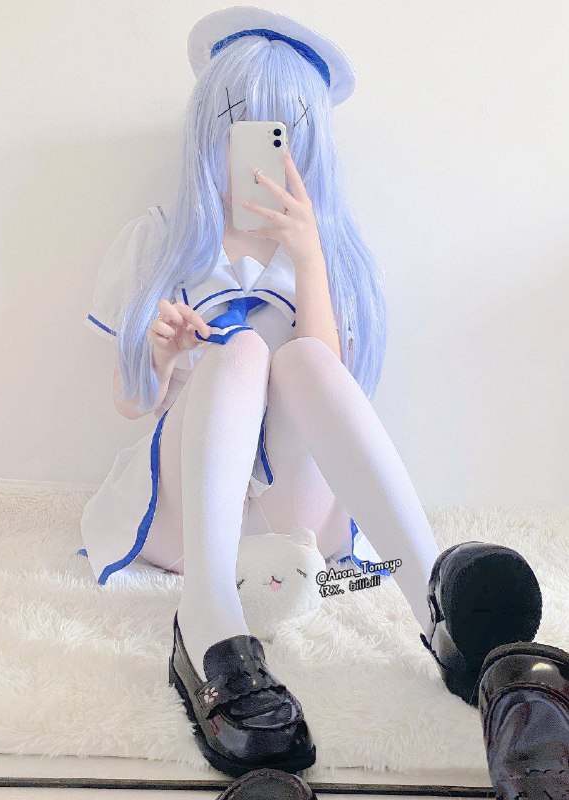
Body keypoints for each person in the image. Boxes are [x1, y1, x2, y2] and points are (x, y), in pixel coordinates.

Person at [79, 6, 543, 778]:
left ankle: (434, 603)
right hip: (186, 524)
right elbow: (132, 405)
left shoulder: (330, 256)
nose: (263, 148)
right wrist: (159, 360)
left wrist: (307, 255)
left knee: (298, 359)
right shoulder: (161, 242)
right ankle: (208, 618)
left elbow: (332, 383)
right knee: (238, 352)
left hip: (298, 532)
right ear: (207, 132)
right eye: (240, 125)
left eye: (284, 130)